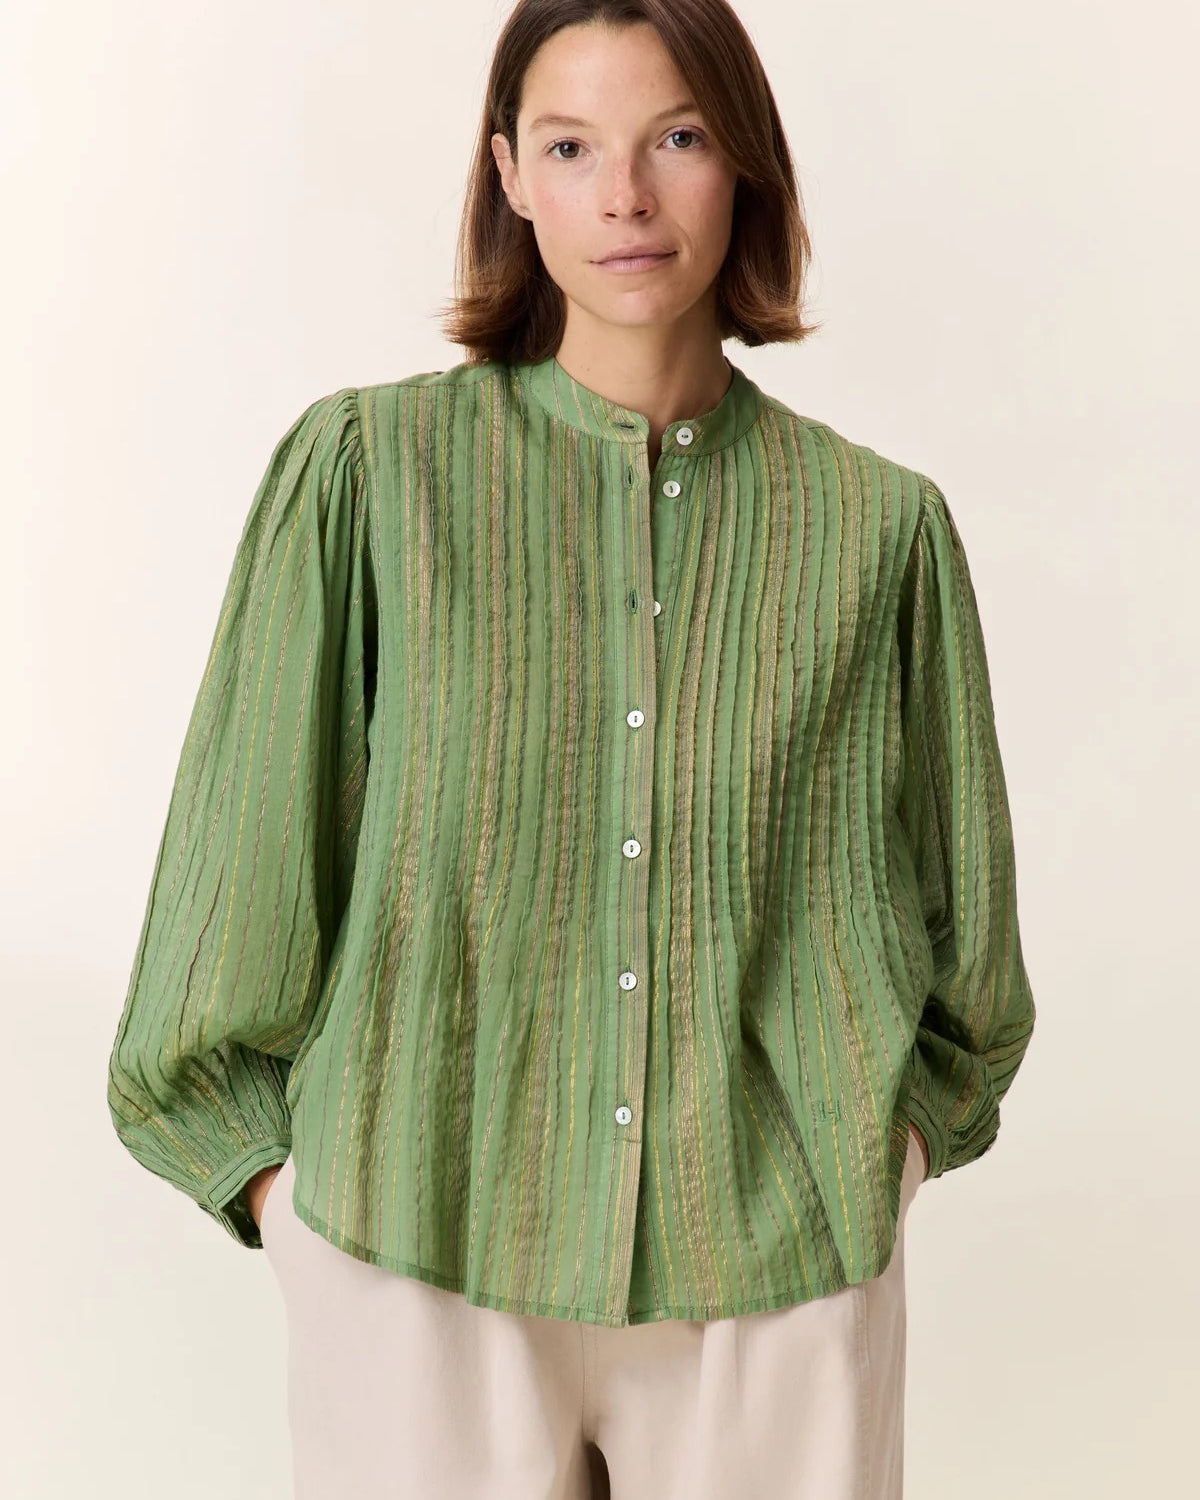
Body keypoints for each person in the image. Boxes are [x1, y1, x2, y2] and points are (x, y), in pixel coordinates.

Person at [106, 1, 1037, 1496]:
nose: (625, 196)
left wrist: (892, 1151)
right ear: (510, 176)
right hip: (418, 1236)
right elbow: (243, 869)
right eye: (571, 145)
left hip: (779, 1263)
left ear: (743, 164)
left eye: (675, 138)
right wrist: (291, 1205)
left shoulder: (880, 531)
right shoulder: (367, 479)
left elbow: (966, 952)